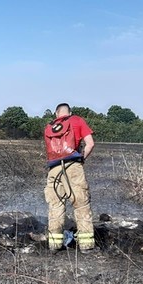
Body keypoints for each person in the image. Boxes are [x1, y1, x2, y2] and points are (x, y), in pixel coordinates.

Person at [43, 102, 96, 252]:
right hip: (72, 166)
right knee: (81, 205)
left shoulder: (49, 127)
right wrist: (81, 159)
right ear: (70, 112)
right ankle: (86, 246)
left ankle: (54, 244)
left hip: (53, 169)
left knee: (55, 206)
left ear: (56, 114)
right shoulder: (77, 120)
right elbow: (90, 144)